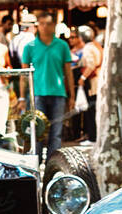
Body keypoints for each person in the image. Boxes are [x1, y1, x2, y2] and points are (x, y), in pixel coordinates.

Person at [21, 12, 74, 154]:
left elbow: (68, 72)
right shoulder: (30, 46)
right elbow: (24, 75)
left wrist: (72, 96)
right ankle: (35, 165)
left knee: (56, 134)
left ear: (54, 26)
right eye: (42, 23)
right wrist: (21, 97)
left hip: (58, 94)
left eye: (48, 23)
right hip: (37, 94)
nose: (45, 27)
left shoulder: (62, 46)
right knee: (37, 133)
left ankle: (52, 167)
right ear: (38, 26)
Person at [77, 25, 103, 143]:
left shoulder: (88, 48)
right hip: (99, 80)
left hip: (93, 83)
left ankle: (92, 137)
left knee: (91, 110)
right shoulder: (97, 46)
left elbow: (91, 65)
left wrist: (83, 77)